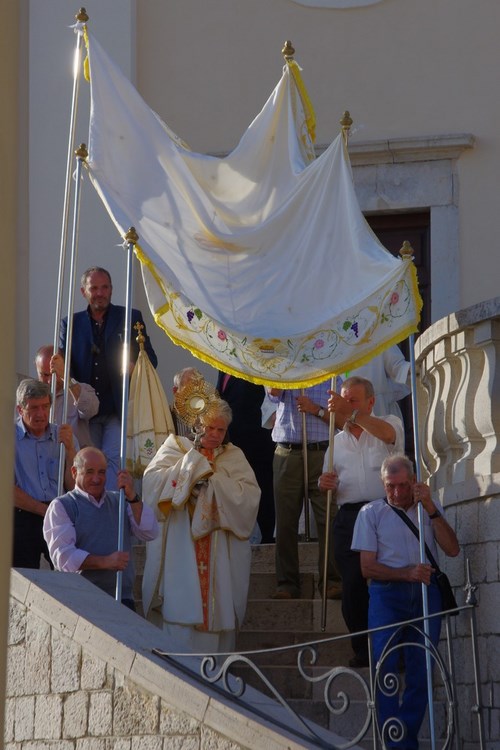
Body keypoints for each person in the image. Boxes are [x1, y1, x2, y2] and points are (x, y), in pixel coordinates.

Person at [352, 454, 460, 749]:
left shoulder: (428, 509)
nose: (397, 493)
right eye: (390, 486)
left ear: (413, 482)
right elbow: (367, 568)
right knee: (383, 667)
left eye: (402, 485)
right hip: (387, 593)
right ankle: (393, 741)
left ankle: (405, 739)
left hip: (426, 593)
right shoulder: (370, 513)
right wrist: (406, 573)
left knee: (422, 668)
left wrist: (431, 509)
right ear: (383, 484)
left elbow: (452, 549)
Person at [141, 398, 260, 653]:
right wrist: (188, 470)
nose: (215, 435)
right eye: (210, 428)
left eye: (221, 430)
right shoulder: (175, 447)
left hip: (220, 550)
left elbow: (249, 497)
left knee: (218, 609)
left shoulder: (233, 456)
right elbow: (151, 483)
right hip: (181, 545)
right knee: (180, 608)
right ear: (197, 425)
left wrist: (212, 483)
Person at [319, 376, 404, 667]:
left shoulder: (387, 422)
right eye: (344, 400)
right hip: (350, 517)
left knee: (391, 579)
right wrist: (324, 482)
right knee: (353, 586)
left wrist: (352, 413)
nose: (345, 406)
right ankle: (363, 649)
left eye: (353, 400)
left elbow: (390, 435)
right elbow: (329, 481)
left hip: (385, 512)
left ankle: (396, 648)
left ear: (370, 402)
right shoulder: (336, 442)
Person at [59, 267, 158, 488]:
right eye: (94, 288)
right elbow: (66, 369)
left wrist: (136, 365)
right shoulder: (70, 323)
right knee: (87, 464)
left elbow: (151, 359)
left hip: (117, 409)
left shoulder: (130, 317)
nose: (100, 293)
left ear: (111, 290)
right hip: (85, 413)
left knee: (114, 464)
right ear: (83, 291)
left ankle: (112, 512)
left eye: (105, 287)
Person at [43, 447, 159, 610]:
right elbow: (63, 557)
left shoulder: (119, 501)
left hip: (122, 597)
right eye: (89, 472)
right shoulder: (63, 505)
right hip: (83, 600)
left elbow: (149, 531)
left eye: (102, 472)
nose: (97, 479)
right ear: (74, 472)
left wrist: (133, 496)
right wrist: (105, 562)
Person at [269, 380, 342, 600]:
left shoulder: (331, 377)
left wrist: (315, 409)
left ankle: (331, 581)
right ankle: (287, 583)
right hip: (287, 452)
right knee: (286, 520)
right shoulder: (282, 367)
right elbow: (273, 392)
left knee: (328, 517)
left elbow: (341, 421)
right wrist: (284, 370)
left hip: (321, 452)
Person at [14, 379, 77, 569]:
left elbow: (74, 486)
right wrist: (45, 511)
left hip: (58, 513)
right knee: (23, 577)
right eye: (33, 408)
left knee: (67, 575)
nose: (41, 414)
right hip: (23, 514)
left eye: (45, 406)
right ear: (20, 410)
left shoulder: (62, 435)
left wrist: (70, 451)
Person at [217, 371, 275, 543]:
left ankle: (266, 536)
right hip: (233, 442)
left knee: (262, 488)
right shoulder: (223, 366)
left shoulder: (251, 362)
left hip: (257, 441)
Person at [35, 344, 99, 447]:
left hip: (75, 458)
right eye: (45, 375)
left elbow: (91, 410)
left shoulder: (81, 389)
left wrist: (66, 379)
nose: (50, 380)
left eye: (54, 373)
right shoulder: (31, 396)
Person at [346, 345, 410, 421]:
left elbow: (399, 368)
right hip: (347, 416)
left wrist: (411, 370)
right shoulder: (333, 340)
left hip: (380, 410)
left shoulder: (378, 335)